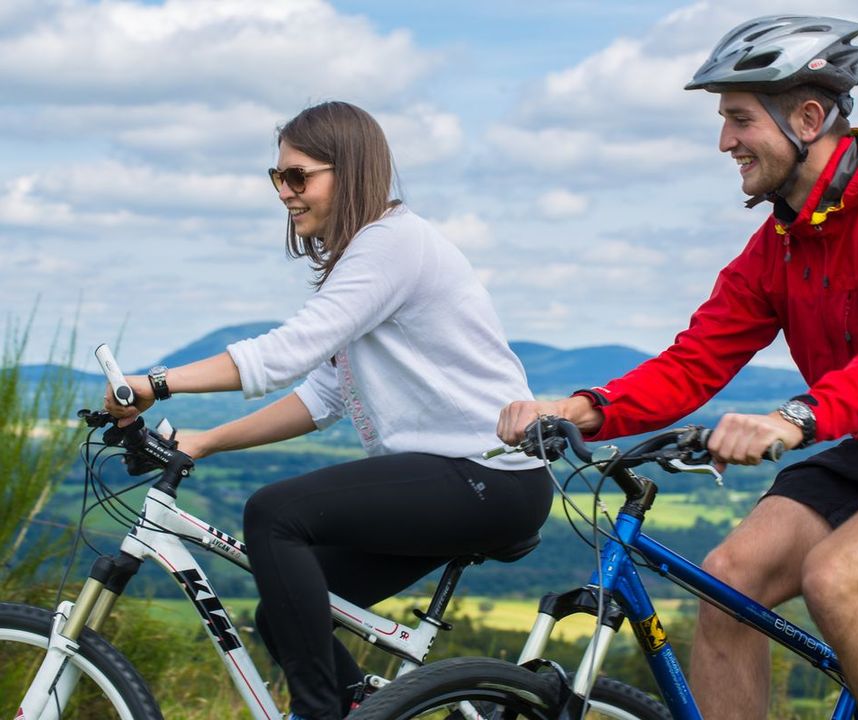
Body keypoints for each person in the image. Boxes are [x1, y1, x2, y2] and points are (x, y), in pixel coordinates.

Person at [498, 15, 858, 720]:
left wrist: (794, 418)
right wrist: (579, 409)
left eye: (739, 119)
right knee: (726, 583)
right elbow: (695, 362)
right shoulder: (780, 242)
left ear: (807, 117)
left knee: (835, 579)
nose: (725, 142)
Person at [106, 101, 552, 720]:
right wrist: (206, 441)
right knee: (284, 614)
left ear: (351, 171)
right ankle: (354, 708)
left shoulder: (392, 243)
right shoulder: (370, 255)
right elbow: (323, 395)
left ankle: (320, 714)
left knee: (272, 513)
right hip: (465, 477)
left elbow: (286, 353)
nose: (285, 193)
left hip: (489, 473)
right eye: (277, 178)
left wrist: (158, 381)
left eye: (299, 176)